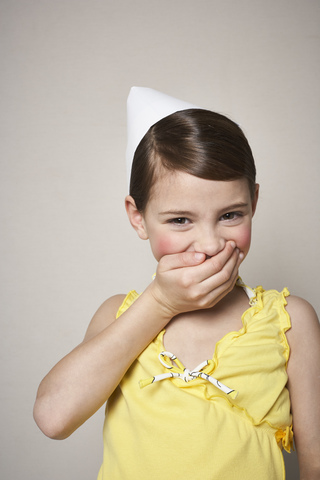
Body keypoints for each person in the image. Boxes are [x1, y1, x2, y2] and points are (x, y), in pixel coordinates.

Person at [34, 87, 320, 479]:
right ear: (138, 218)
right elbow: (53, 418)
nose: (209, 243)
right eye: (180, 220)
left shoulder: (291, 321)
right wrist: (161, 304)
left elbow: (315, 461)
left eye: (231, 215)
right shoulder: (119, 314)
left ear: (254, 202)